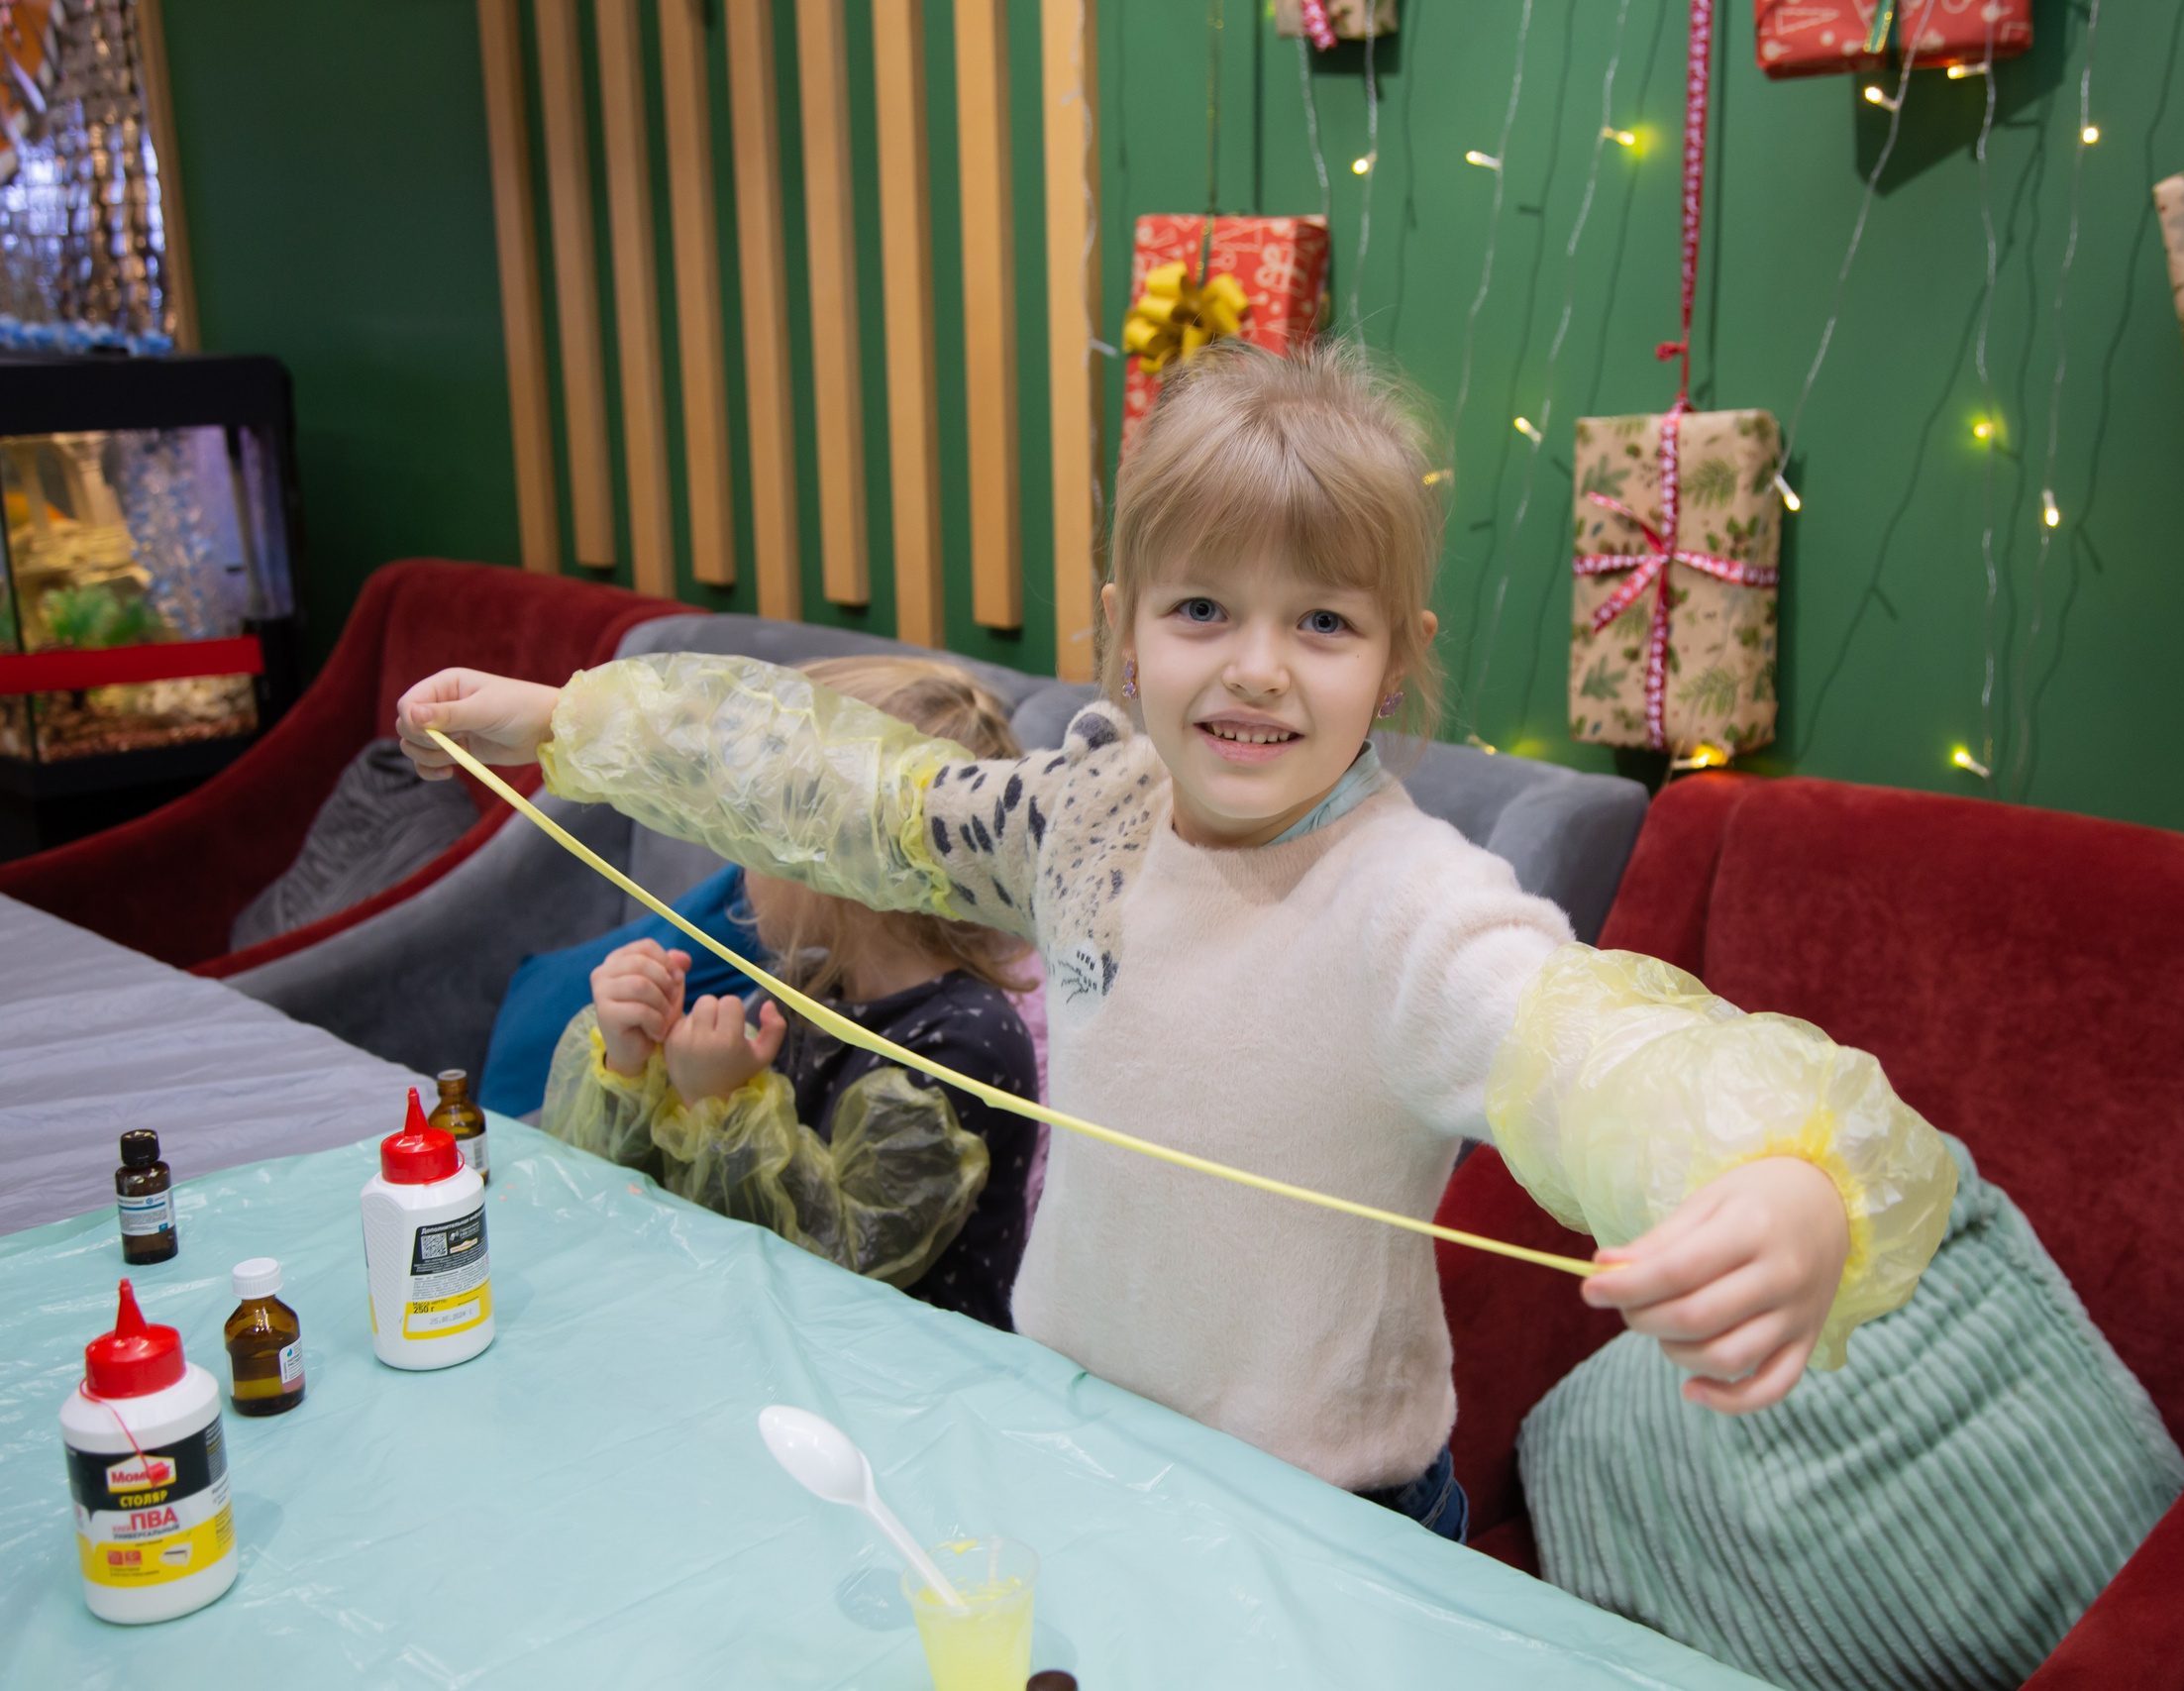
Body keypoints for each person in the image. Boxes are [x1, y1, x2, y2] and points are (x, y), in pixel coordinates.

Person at [397, 339, 1955, 1541]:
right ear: (1121, 625)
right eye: (1204, 608)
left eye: (1324, 623)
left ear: (1396, 658)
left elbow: (1602, 1050)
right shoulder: (1087, 821)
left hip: (1322, 1519)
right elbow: (843, 790)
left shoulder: (1412, 908)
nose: (1257, 669)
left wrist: (1787, 1177)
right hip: (1072, 1441)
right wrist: (568, 720)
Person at [540, 656, 1042, 1331]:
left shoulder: (968, 1043)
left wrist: (719, 1103)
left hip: (908, 1396)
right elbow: (638, 1204)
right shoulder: (807, 989)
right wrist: (632, 1070)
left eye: (760, 824)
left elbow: (839, 1267)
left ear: (847, 860)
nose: (739, 853)